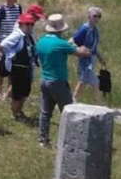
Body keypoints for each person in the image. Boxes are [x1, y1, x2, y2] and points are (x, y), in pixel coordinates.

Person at [35, 13, 93, 147]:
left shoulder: (41, 42)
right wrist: (81, 47)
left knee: (45, 112)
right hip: (58, 81)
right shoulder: (61, 43)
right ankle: (71, 141)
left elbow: (58, 49)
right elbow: (82, 53)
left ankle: (42, 140)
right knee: (68, 111)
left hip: (44, 79)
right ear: (61, 29)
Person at [0, 6, 42, 122]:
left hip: (27, 66)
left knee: (25, 91)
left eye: (31, 24)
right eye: (27, 24)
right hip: (17, 67)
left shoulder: (28, 35)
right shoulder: (17, 34)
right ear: (21, 24)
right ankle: (15, 114)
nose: (30, 26)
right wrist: (11, 54)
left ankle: (19, 111)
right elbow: (3, 44)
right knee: (17, 93)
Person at [0, 0, 22, 96]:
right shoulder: (0, 9)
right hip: (2, 41)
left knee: (12, 65)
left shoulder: (18, 8)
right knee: (1, 64)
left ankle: (9, 88)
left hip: (14, 41)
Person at [72, 7, 106, 104]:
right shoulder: (84, 29)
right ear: (89, 17)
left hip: (92, 58)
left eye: (99, 16)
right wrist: (80, 51)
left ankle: (96, 102)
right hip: (85, 58)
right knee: (87, 80)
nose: (97, 19)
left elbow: (94, 46)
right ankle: (75, 99)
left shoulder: (95, 30)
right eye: (94, 16)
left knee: (90, 81)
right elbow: (72, 41)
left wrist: (100, 57)